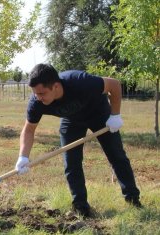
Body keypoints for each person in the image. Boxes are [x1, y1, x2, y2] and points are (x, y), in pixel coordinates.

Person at [14, 64, 141, 217]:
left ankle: (133, 199)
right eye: (35, 94)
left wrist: (115, 115)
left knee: (117, 155)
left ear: (55, 86)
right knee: (71, 163)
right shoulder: (37, 102)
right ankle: (81, 207)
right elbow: (28, 130)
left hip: (99, 114)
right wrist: (23, 156)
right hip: (72, 120)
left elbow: (113, 84)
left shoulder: (80, 82)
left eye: (42, 93)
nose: (38, 98)